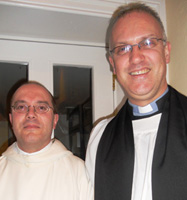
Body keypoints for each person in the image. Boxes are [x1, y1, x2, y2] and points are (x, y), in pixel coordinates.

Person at [85, 2, 187, 200]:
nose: (136, 57)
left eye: (148, 43)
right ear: (113, 64)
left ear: (166, 52)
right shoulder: (100, 137)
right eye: (123, 48)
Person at [0, 81, 93, 200]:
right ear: (11, 119)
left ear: (54, 120)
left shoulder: (80, 173)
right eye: (21, 107)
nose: (31, 114)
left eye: (42, 107)